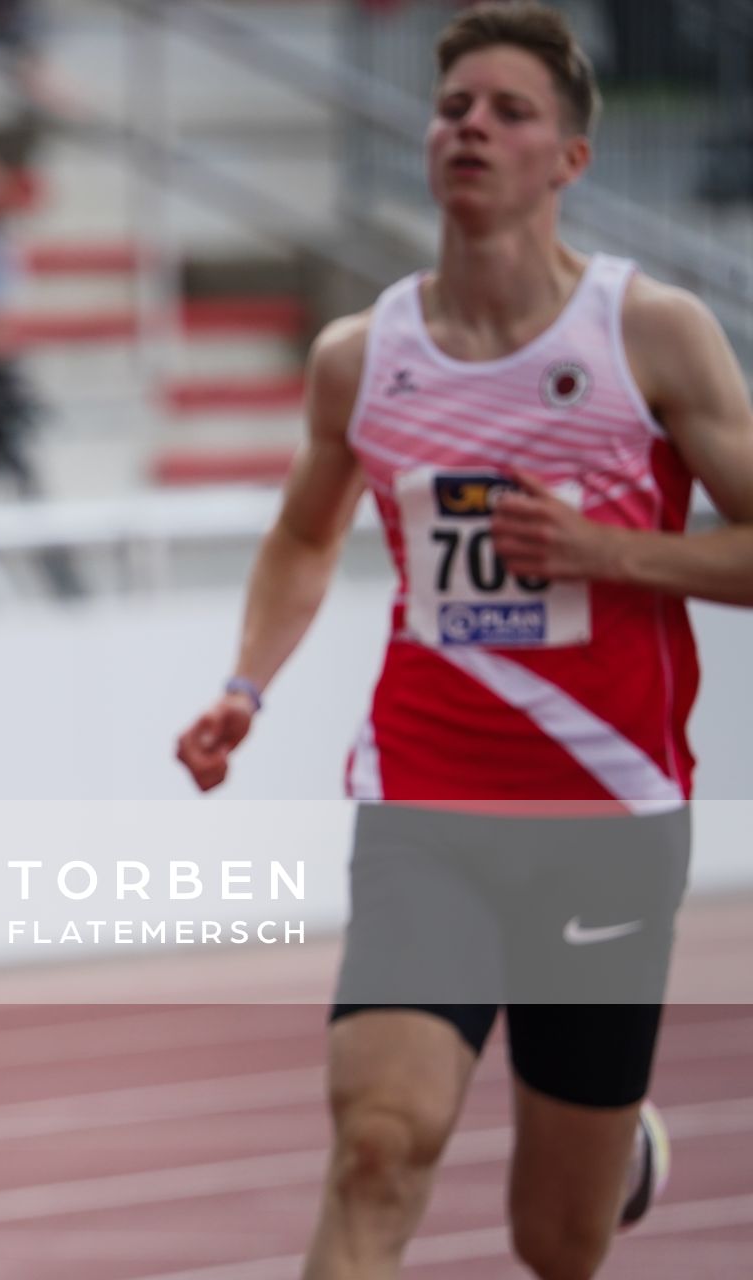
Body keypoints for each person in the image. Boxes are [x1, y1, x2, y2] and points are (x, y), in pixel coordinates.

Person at [173, 6, 753, 1278]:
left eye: (508, 111)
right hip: (427, 800)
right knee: (379, 1142)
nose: (471, 127)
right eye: (453, 108)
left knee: (554, 1243)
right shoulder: (360, 355)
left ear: (570, 160)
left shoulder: (649, 335)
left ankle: (619, 1148)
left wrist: (617, 554)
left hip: (608, 818)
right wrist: (244, 686)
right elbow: (305, 537)